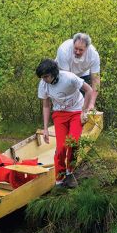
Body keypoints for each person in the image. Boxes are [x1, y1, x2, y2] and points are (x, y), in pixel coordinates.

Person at [36, 59, 93, 188]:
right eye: (42, 77)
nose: (44, 79)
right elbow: (46, 105)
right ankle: (60, 179)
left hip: (76, 112)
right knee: (61, 148)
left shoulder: (69, 78)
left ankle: (70, 172)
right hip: (59, 114)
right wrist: (45, 128)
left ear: (54, 73)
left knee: (73, 142)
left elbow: (89, 90)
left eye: (46, 76)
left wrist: (84, 111)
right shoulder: (43, 84)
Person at [55, 33, 100, 110]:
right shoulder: (63, 50)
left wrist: (91, 103)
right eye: (75, 48)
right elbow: (67, 79)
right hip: (63, 74)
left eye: (81, 50)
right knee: (66, 105)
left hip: (82, 74)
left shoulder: (94, 55)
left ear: (87, 48)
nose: (78, 52)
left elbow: (96, 80)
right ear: (73, 44)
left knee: (83, 104)